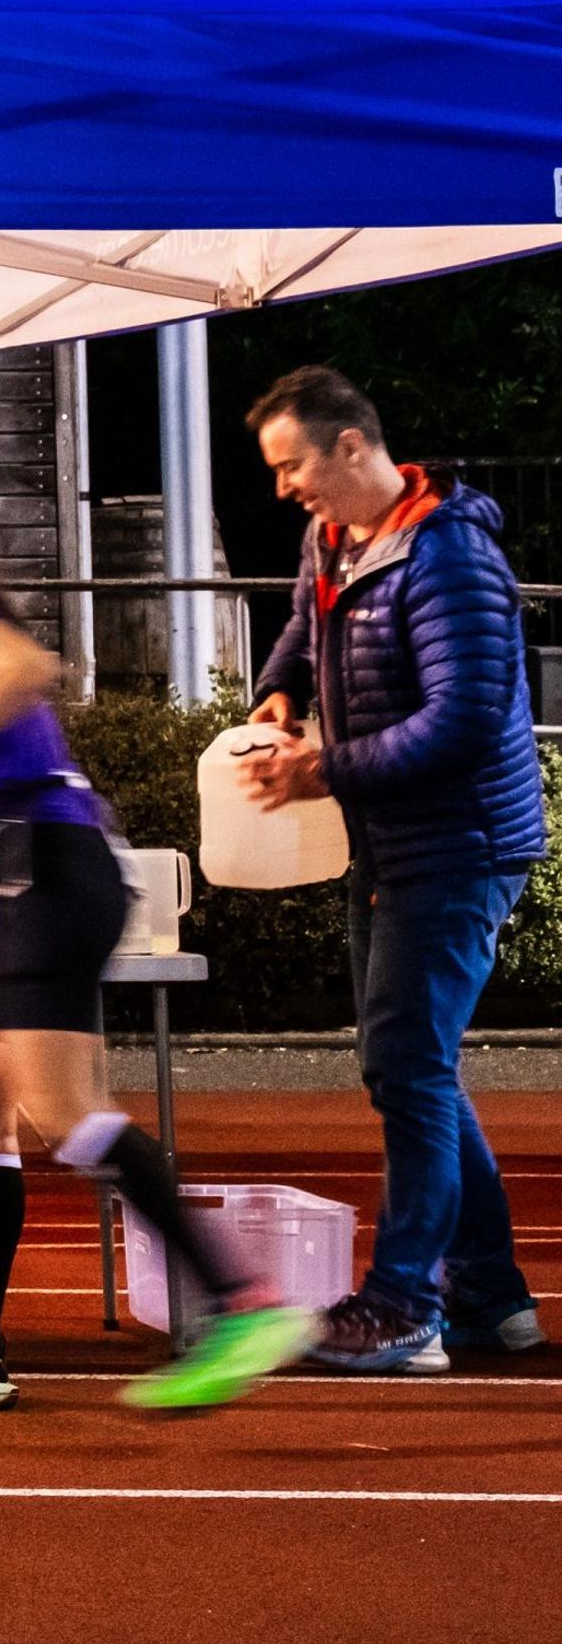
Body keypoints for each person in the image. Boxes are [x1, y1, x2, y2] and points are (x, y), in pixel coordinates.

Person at [0, 505, 321, 1411]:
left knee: (69, 1115)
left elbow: (28, 669)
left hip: (54, 875)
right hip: (31, 882)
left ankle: (242, 1300)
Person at [239, 366, 549, 1373]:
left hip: (461, 845)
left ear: (350, 446)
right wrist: (276, 694)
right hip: (393, 841)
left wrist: (322, 764)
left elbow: (461, 723)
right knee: (414, 1066)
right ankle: (493, 1300)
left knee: (405, 1067)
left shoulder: (450, 557)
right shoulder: (334, 538)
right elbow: (301, 625)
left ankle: (404, 1303)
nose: (285, 486)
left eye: (293, 465)